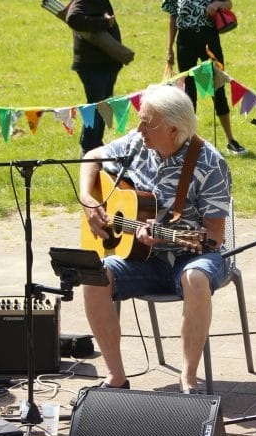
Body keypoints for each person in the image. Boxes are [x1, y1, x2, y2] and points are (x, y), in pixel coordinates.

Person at [79, 84, 232, 394]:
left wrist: (162, 239)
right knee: (94, 276)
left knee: (195, 278)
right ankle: (116, 377)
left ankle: (188, 379)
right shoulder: (138, 144)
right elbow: (92, 156)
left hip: (193, 255)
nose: (139, 128)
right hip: (142, 258)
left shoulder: (209, 164)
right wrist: (87, 199)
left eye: (148, 122)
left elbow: (213, 236)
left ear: (174, 129)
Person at [161, 0, 246, 156]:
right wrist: (169, 48)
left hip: (209, 38)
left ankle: (231, 140)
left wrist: (218, 4)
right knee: (189, 92)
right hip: (185, 41)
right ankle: (189, 142)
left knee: (218, 87)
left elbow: (229, 3)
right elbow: (172, 17)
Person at [67, 0, 125, 154]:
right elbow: (73, 18)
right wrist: (103, 22)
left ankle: (94, 144)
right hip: (93, 65)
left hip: (103, 64)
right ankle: (88, 147)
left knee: (102, 106)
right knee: (96, 107)